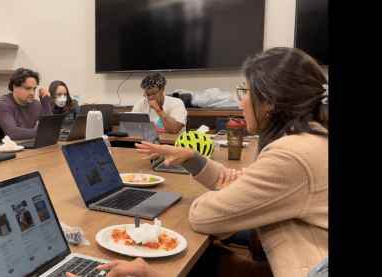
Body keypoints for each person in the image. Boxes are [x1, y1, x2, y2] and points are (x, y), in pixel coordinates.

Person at [124, 47, 328, 277]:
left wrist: (227, 193)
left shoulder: (292, 156)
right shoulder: (309, 139)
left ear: (270, 101)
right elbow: (239, 182)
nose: (241, 103)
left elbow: (202, 216)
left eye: (245, 91)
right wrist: (190, 157)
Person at [0, 68, 52, 142]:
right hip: (2, 150)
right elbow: (13, 133)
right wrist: (41, 132)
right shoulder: (2, 104)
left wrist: (45, 103)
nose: (32, 93)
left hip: (25, 147)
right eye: (28, 88)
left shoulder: (35, 104)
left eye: (34, 89)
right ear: (15, 87)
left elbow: (50, 128)